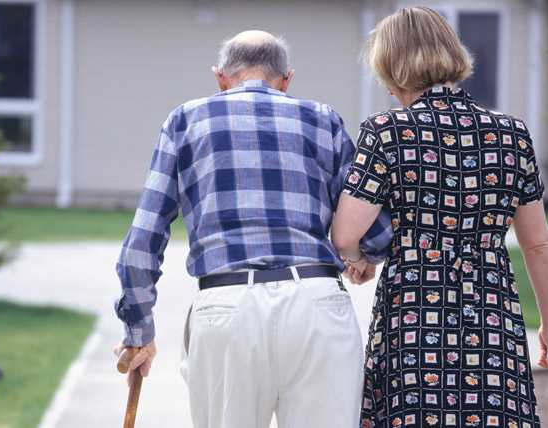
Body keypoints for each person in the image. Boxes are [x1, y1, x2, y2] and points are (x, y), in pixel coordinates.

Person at [112, 30, 392, 428]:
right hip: (316, 304)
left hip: (227, 308)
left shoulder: (184, 120)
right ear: (287, 80)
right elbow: (377, 232)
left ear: (220, 79)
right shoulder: (323, 119)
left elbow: (142, 241)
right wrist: (360, 258)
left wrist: (138, 329)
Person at [331, 6, 548, 428]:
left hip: (415, 316)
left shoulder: (387, 131)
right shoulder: (511, 133)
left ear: (389, 69)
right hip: (492, 312)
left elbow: (346, 234)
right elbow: (539, 242)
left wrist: (361, 262)